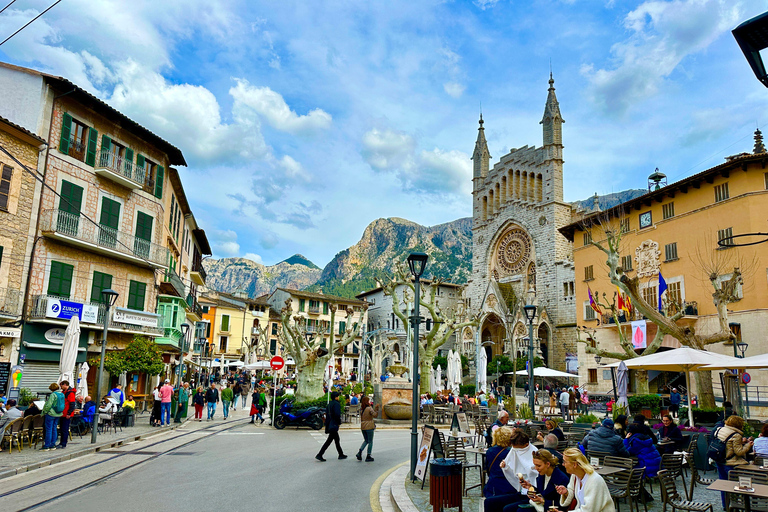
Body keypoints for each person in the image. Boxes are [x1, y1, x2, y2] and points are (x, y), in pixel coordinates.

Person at [485, 429, 538, 512]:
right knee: (489, 502)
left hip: (531, 494)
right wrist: (505, 466)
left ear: (526, 445)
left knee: (508, 509)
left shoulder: (535, 454)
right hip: (520, 490)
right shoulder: (513, 450)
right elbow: (510, 465)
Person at [714, 415, 753, 508]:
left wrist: (741, 442)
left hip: (720, 460)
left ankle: (725, 505)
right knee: (735, 486)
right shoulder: (736, 435)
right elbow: (739, 452)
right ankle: (736, 505)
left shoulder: (720, 429)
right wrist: (748, 445)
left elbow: (727, 445)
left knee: (724, 485)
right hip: (730, 463)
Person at [316, 391, 346, 461]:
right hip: (334, 424)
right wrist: (338, 423)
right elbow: (337, 414)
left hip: (330, 424)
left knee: (335, 440)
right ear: (336, 397)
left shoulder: (329, 404)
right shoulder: (336, 404)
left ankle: (340, 454)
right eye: (338, 396)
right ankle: (320, 454)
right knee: (330, 441)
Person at [41, 383, 64, 451]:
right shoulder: (62, 394)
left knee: (49, 429)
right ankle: (53, 444)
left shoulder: (53, 395)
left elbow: (49, 404)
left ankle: (47, 445)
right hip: (58, 413)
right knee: (54, 428)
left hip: (51, 413)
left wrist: (45, 412)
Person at [356, 396, 380, 462]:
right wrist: (376, 409)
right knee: (370, 441)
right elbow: (375, 415)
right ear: (367, 401)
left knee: (366, 440)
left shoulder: (361, 409)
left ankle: (360, 452)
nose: (370, 402)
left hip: (363, 426)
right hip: (369, 425)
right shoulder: (369, 408)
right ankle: (368, 455)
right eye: (369, 400)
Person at [58, 380, 77, 449]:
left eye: (61, 386)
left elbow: (72, 404)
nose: (61, 387)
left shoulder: (70, 393)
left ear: (65, 385)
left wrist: (69, 413)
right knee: (62, 428)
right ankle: (61, 442)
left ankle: (63, 443)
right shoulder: (65, 392)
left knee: (64, 429)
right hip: (63, 413)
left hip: (66, 414)